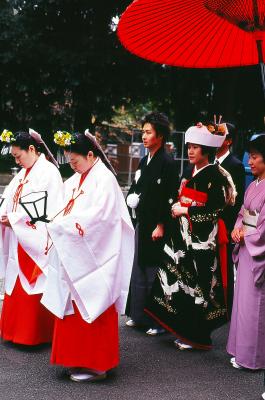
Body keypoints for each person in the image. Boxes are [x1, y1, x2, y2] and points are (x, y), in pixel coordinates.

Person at [41, 131, 134, 382]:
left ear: (91, 155)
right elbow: (62, 208)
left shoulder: (105, 180)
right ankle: (75, 359)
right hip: (74, 251)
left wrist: (65, 227)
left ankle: (96, 365)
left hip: (97, 255)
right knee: (73, 307)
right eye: (70, 163)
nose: (73, 166)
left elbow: (101, 218)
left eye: (76, 161)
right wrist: (57, 224)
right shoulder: (76, 179)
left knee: (95, 302)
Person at [145, 123, 236, 349]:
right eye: (189, 147)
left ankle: (197, 336)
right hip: (182, 236)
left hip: (202, 240)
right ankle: (182, 330)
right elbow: (181, 197)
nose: (191, 152)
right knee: (181, 282)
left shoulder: (216, 175)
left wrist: (187, 210)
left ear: (207, 150)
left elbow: (217, 210)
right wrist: (178, 206)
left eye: (196, 147)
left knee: (200, 286)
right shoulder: (189, 172)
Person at [0, 129, 63, 345]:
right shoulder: (23, 173)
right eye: (14, 157)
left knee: (35, 281)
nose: (17, 161)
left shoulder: (49, 172)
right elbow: (9, 197)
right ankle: (13, 332)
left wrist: (15, 219)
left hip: (36, 237)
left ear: (32, 149)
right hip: (21, 236)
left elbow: (49, 209)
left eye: (19, 156)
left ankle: (34, 335)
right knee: (17, 280)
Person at [125, 112, 178, 335]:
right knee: (139, 267)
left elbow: (169, 196)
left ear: (160, 136)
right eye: (143, 132)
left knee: (155, 270)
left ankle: (157, 321)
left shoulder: (168, 163)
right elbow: (137, 186)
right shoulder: (145, 160)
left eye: (148, 132)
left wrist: (161, 224)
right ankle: (139, 315)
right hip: (143, 221)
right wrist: (132, 198)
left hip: (158, 225)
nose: (144, 136)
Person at [227, 135, 265, 370]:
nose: (249, 162)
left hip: (257, 249)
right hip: (246, 247)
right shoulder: (254, 184)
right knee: (242, 303)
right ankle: (241, 350)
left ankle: (254, 358)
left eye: (254, 157)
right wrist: (237, 228)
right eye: (249, 157)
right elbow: (243, 212)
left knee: (256, 306)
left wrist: (247, 235)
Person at [208, 120, 245, 318]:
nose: (215, 135)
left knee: (224, 265)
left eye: (220, 133)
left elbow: (235, 201)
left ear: (228, 141)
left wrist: (229, 225)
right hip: (206, 221)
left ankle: (226, 307)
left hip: (224, 222)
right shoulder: (208, 162)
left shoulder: (236, 165)